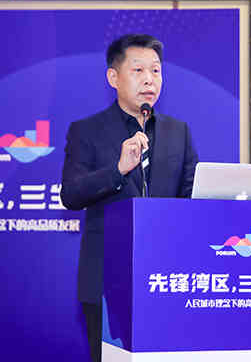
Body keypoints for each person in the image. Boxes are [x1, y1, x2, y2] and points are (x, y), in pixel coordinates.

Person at [60, 34, 198, 362]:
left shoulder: (178, 132)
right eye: (138, 70)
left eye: (156, 70)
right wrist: (117, 170)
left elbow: (191, 195)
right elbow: (71, 194)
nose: (149, 79)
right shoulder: (86, 131)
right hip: (106, 281)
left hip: (167, 278)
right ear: (113, 77)